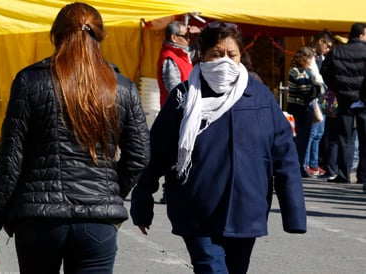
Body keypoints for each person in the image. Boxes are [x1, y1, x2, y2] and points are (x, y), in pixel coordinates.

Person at [0, 2, 150, 273]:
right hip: (97, 221)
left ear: (55, 35)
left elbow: (11, 160)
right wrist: (109, 192)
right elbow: (139, 155)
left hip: (39, 220)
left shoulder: (29, 81)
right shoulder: (123, 88)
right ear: (100, 36)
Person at [131, 22, 306, 274]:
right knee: (211, 269)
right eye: (216, 54)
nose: (224, 61)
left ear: (240, 56)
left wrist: (294, 213)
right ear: (202, 55)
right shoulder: (183, 98)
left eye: (231, 55)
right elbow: (157, 153)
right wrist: (142, 202)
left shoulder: (259, 96)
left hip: (246, 210)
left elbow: (284, 155)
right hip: (196, 211)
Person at [157, 20, 200, 203]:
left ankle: (176, 189)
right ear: (174, 37)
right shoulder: (169, 57)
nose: (189, 40)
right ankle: (170, 191)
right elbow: (174, 89)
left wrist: (199, 35)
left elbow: (197, 51)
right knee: (174, 153)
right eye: (186, 36)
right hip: (176, 112)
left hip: (186, 111)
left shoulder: (181, 54)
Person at [321, 22, 366, 189]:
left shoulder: (337, 52)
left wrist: (336, 87)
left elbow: (324, 70)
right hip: (364, 99)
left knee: (344, 138)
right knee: (364, 139)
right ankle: (363, 175)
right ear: (361, 35)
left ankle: (343, 173)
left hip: (345, 98)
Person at [304, 29, 335, 176]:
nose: (328, 49)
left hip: (322, 98)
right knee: (312, 132)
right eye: (327, 46)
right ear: (321, 41)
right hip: (312, 97)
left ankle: (314, 163)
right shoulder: (308, 54)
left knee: (319, 133)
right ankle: (306, 163)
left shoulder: (321, 57)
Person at [287, 46, 317, 178]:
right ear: (305, 58)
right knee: (301, 139)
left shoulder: (294, 70)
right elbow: (307, 91)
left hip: (296, 107)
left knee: (299, 139)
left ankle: (299, 165)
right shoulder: (299, 72)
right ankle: (299, 166)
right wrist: (318, 88)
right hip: (301, 108)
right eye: (310, 58)